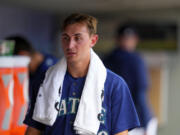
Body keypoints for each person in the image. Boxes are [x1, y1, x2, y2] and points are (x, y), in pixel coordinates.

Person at [23, 13, 140, 135]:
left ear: (93, 40)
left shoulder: (115, 85)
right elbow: (34, 129)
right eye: (66, 38)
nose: (70, 45)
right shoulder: (45, 80)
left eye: (77, 38)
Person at [104, 24, 158, 135]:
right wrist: (146, 123)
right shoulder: (136, 60)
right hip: (135, 120)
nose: (127, 41)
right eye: (125, 38)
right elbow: (140, 94)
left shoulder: (105, 60)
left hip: (113, 120)